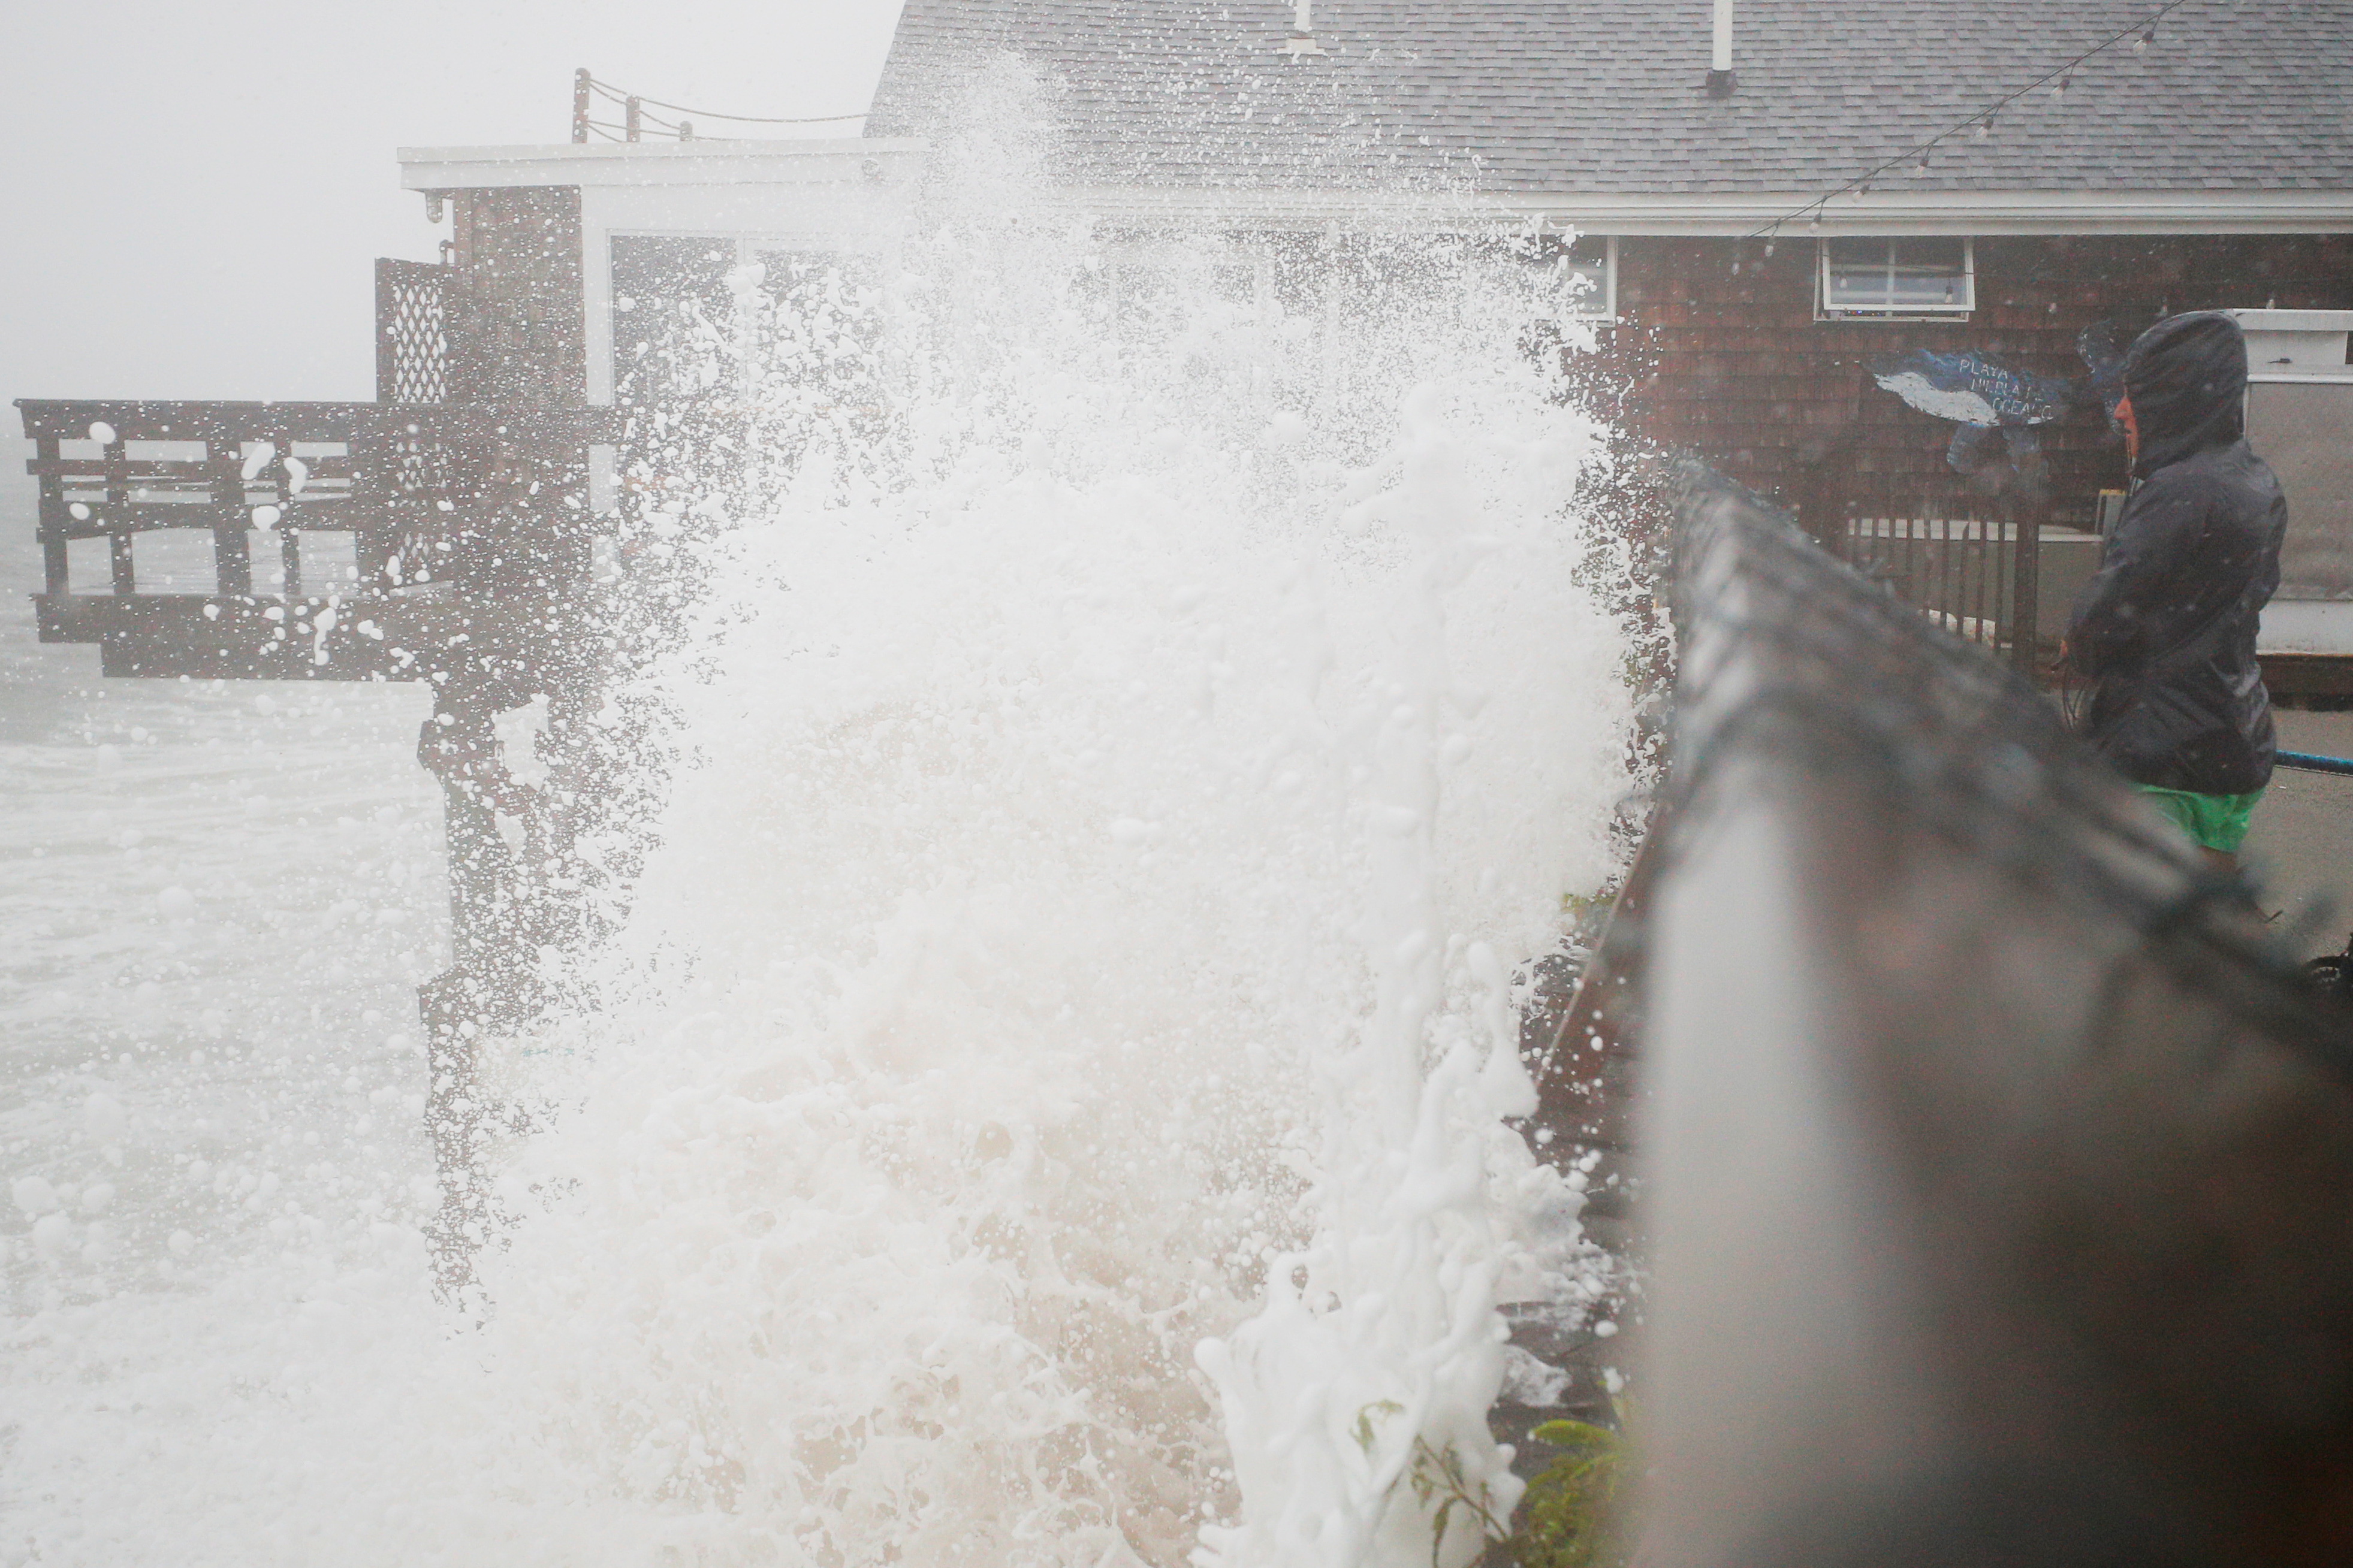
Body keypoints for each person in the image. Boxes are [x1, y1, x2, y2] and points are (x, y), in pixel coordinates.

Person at [2065, 310, 2286, 873]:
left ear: (2172, 399)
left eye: (2134, 394)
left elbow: (2107, 613)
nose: (2121, 411)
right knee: (2205, 916)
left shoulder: (2176, 491)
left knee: (2127, 914)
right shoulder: (2257, 481)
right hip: (2235, 747)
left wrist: (2079, 644)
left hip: (2158, 760)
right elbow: (2250, 596)